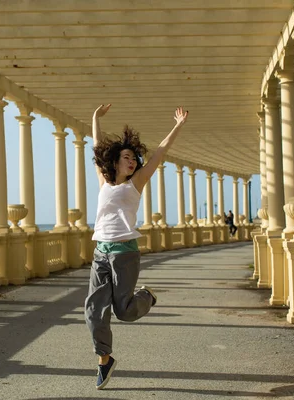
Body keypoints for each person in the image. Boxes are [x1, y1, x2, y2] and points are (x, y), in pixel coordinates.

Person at [84, 103, 188, 390]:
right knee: (94, 311)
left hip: (125, 254)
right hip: (101, 253)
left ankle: (146, 296)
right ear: (115, 160)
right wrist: (95, 118)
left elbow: (159, 154)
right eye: (127, 158)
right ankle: (104, 361)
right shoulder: (104, 182)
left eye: (134, 159)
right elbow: (96, 146)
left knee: (125, 312)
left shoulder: (136, 184)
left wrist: (177, 127)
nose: (132, 162)